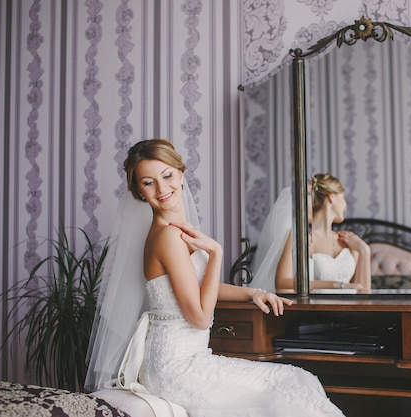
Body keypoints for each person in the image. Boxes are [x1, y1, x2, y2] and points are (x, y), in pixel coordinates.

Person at [85, 139, 346, 417]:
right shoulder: (168, 237)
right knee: (293, 386)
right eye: (148, 182)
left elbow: (197, 286)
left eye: (167, 175)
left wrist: (253, 293)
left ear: (181, 173)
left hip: (190, 360)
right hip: (176, 369)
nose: (162, 189)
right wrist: (217, 254)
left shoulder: (177, 229)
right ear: (138, 191)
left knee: (300, 380)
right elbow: (199, 317)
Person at [275, 173, 371, 292]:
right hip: (314, 309)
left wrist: (364, 251)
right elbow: (281, 283)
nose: (345, 205)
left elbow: (364, 293)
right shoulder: (301, 238)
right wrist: (336, 285)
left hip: (349, 309)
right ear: (331, 197)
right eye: (343, 198)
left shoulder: (348, 241)